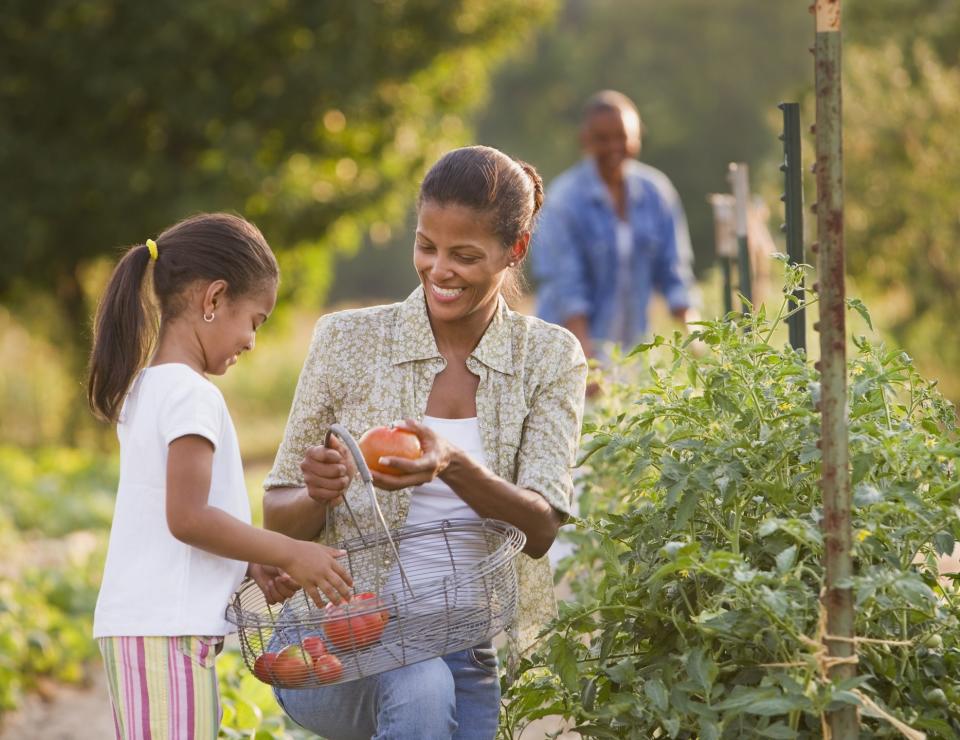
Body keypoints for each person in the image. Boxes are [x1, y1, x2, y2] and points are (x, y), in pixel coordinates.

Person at [263, 146, 588, 740]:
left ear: (514, 250)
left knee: (433, 681)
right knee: (420, 683)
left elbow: (540, 530)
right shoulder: (347, 339)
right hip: (338, 640)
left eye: (465, 255)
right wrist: (321, 494)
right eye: (426, 247)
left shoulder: (547, 356)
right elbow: (278, 517)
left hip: (464, 650)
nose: (440, 270)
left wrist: (453, 465)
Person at [87, 213, 353, 740]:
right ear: (213, 300)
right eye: (255, 320)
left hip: (154, 628)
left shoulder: (151, 387)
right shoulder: (191, 394)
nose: (252, 341)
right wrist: (289, 550)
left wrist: (248, 561)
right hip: (164, 631)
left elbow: (178, 519)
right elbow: (187, 517)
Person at [532, 89, 699, 366]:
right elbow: (567, 286)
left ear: (637, 137)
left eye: (622, 137)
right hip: (569, 350)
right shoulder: (565, 199)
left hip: (629, 349)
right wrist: (587, 361)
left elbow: (675, 270)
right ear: (585, 140)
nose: (614, 148)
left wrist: (696, 336)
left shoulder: (656, 193)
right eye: (602, 139)